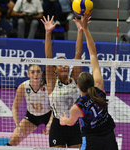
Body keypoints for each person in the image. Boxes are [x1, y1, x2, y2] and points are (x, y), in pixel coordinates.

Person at [59, 14, 119, 150]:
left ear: (78, 85)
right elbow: (93, 54)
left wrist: (63, 121)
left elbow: (70, 122)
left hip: (92, 140)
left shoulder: (77, 107)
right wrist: (85, 29)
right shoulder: (99, 87)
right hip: (109, 135)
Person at [41, 15, 84, 148]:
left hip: (74, 125)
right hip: (57, 126)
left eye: (65, 64)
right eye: (60, 65)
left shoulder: (74, 80)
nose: (64, 66)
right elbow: (48, 57)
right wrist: (48, 33)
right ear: (54, 69)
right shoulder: (52, 83)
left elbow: (78, 54)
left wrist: (80, 30)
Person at [5, 64, 51, 146]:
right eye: (32, 72)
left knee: (58, 141)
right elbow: (15, 107)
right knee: (13, 141)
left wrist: (50, 123)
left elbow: (56, 107)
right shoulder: (23, 87)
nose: (35, 74)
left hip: (49, 115)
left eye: (38, 72)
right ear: (28, 74)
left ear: (41, 73)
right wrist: (17, 125)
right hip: (32, 117)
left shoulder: (48, 86)